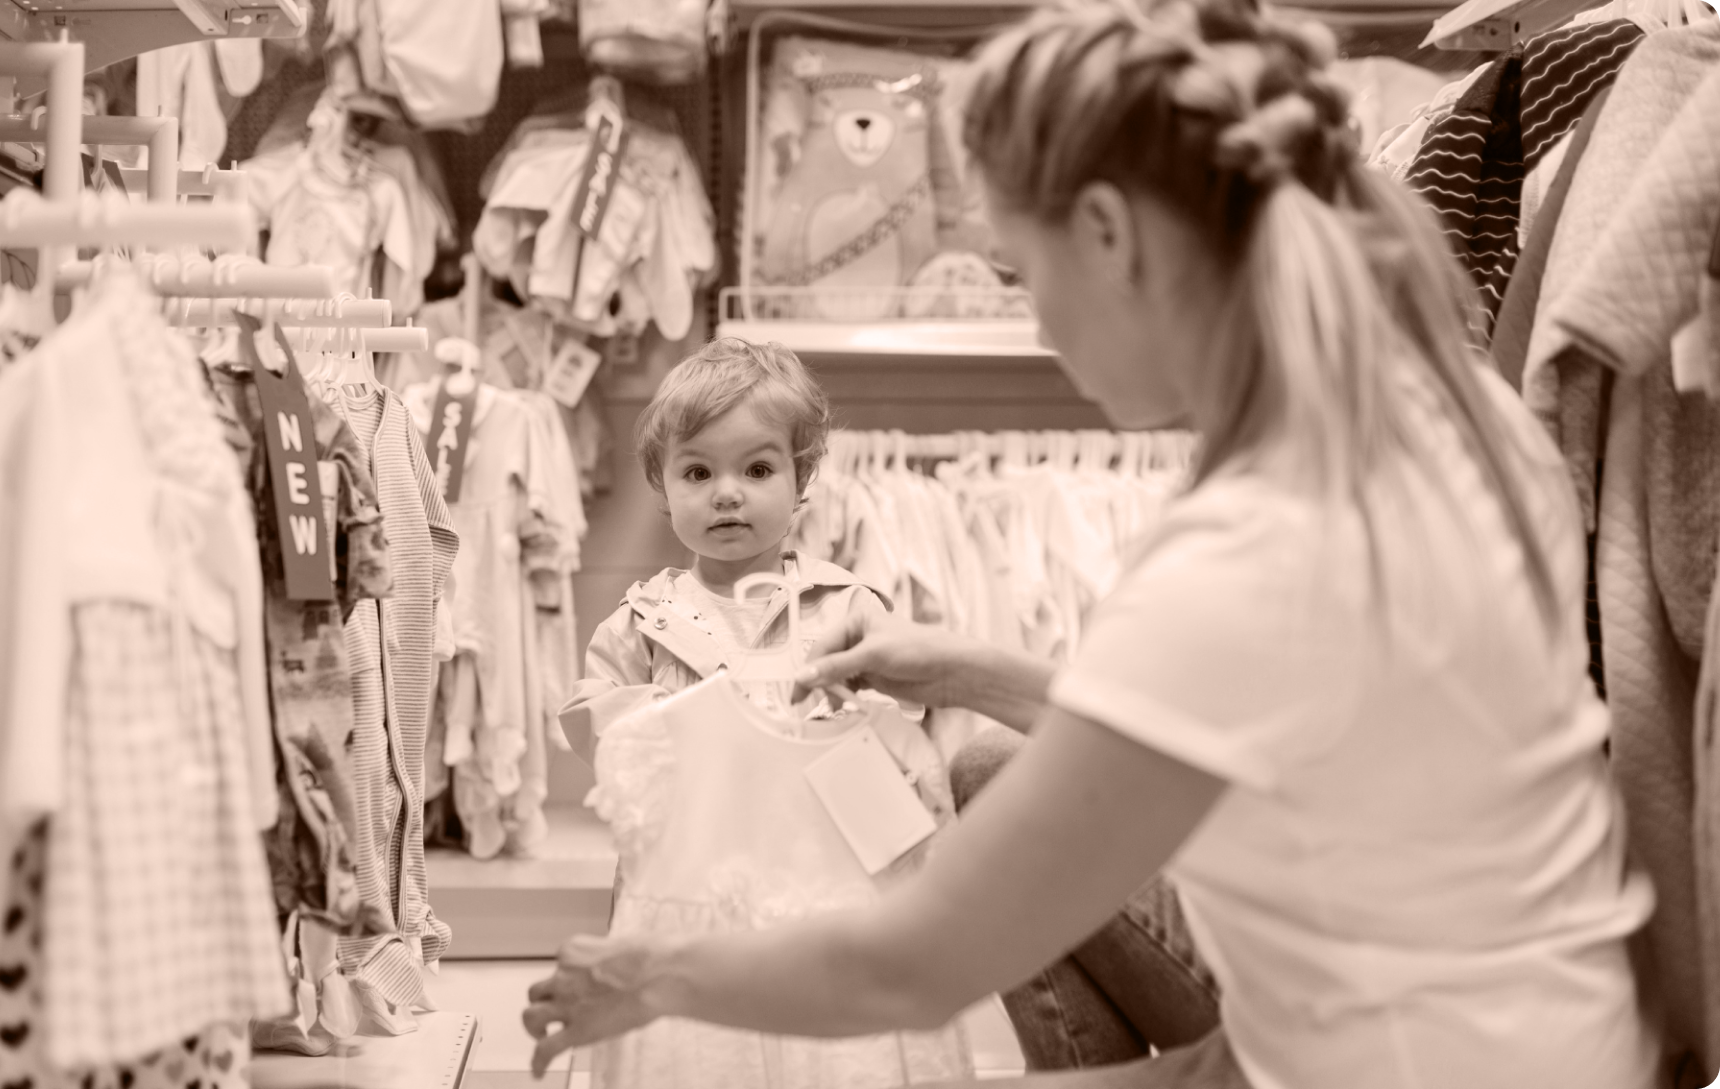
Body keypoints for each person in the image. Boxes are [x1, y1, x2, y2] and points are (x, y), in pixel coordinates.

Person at [521, 0, 1664, 1085]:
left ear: (1108, 234)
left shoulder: (1250, 546)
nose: (1042, 325)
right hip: (1546, 1029)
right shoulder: (1448, 406)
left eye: (1028, 275)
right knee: (987, 767)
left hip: (1398, 1070)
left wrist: (646, 975)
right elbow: (1219, 722)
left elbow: (914, 967)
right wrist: (963, 669)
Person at [556, 337, 966, 1088]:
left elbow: (902, 731)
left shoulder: (850, 609)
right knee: (696, 1050)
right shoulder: (640, 622)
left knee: (826, 1048)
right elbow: (595, 724)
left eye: (757, 469)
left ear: (801, 479)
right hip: (690, 883)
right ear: (661, 485)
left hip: (822, 879)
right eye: (697, 472)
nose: (727, 494)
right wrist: (681, 721)